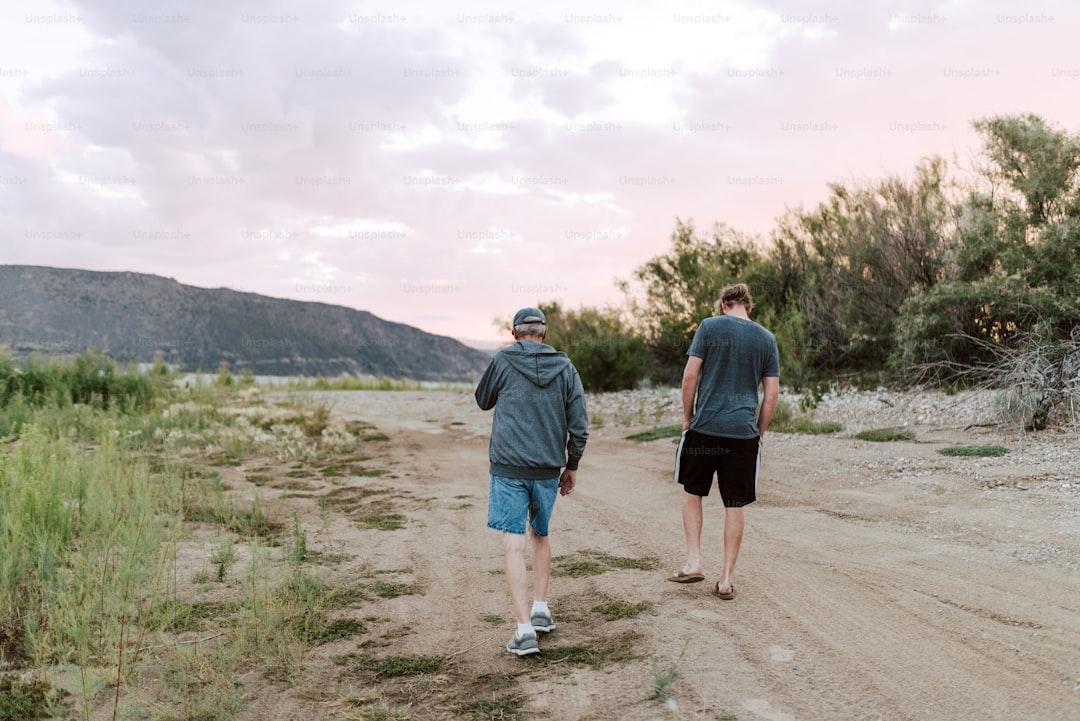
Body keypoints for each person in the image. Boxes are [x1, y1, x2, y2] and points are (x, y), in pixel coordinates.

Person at [475, 307, 589, 655]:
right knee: (540, 533)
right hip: (546, 469)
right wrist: (572, 465)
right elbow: (579, 424)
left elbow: (483, 400)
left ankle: (524, 630)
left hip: (509, 467)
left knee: (513, 541)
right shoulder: (566, 367)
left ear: (514, 333)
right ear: (545, 332)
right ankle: (541, 608)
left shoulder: (503, 361)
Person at [667, 283, 780, 599]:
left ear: (723, 305)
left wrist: (688, 418)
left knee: (692, 492)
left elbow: (690, 376)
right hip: (743, 434)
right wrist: (759, 430)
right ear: (748, 307)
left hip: (705, 427)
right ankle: (727, 579)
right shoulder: (766, 339)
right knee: (735, 504)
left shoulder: (709, 327)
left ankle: (693, 561)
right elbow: (772, 393)